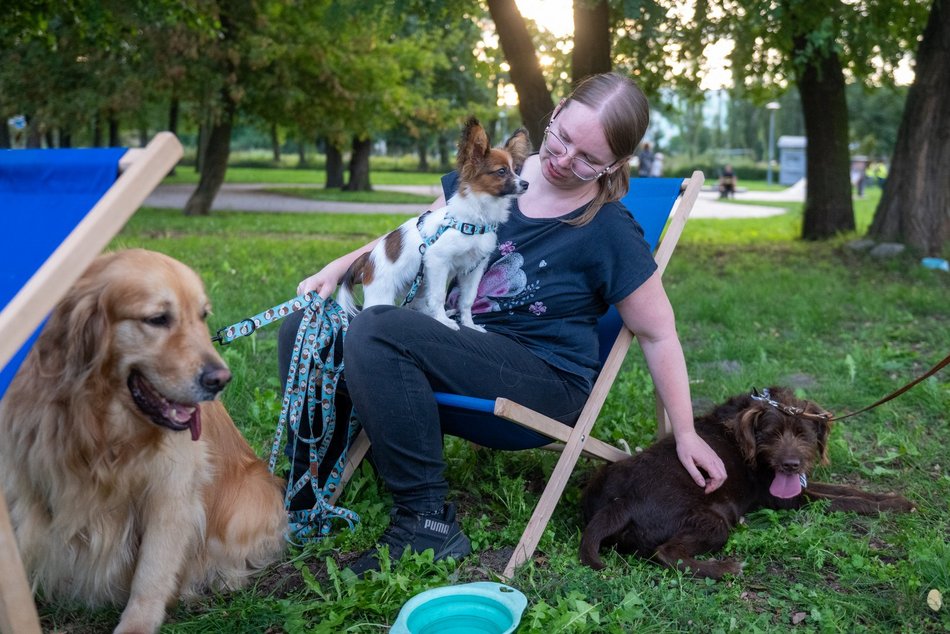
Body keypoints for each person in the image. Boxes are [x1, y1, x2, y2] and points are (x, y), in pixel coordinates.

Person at [282, 72, 727, 577]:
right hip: (457, 346)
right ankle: (308, 489)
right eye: (561, 139)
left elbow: (658, 333)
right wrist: (339, 267)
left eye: (588, 159)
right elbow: (419, 234)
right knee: (307, 325)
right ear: (554, 113)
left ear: (617, 164)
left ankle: (427, 522)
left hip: (541, 378)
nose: (564, 160)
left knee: (378, 328)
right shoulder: (493, 171)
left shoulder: (609, 229)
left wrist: (685, 433)